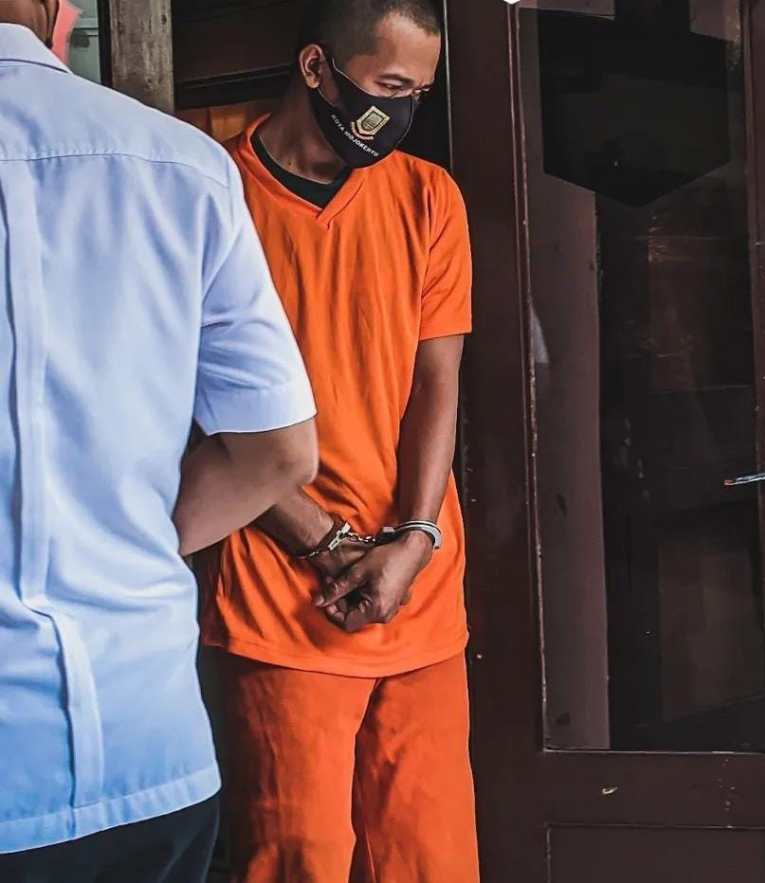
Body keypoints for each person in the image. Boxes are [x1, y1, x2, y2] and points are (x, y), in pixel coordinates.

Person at [0, 3, 320, 881]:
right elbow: (280, 449)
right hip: (152, 753)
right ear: (57, 12)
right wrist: (121, 538)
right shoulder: (182, 165)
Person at [197, 1, 479, 880]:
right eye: (389, 87)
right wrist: (323, 541)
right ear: (317, 67)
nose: (400, 113)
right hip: (281, 595)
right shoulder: (211, 194)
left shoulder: (428, 196)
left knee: (432, 858)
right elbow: (190, 411)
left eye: (418, 95)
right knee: (299, 859)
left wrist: (416, 536)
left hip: (415, 587)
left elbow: (437, 383)